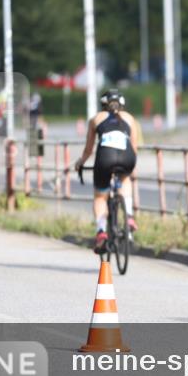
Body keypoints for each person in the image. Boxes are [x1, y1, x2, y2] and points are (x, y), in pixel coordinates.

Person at [75, 89, 140, 254]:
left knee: (100, 196)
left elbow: (89, 149)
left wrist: (80, 163)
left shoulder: (96, 119)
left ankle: (101, 232)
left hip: (105, 159)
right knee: (125, 179)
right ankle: (130, 216)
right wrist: (130, 167)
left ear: (103, 105)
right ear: (122, 104)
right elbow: (134, 148)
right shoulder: (130, 119)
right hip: (127, 158)